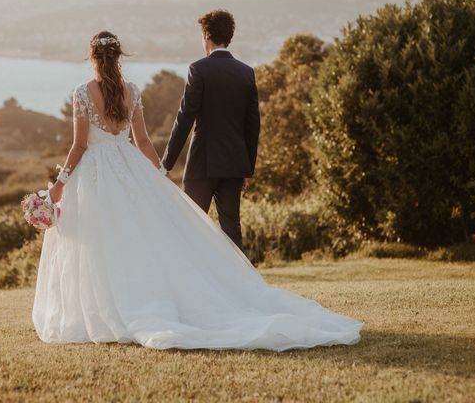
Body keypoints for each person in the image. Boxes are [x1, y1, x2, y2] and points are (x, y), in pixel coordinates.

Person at [33, 29, 362, 351]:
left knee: (102, 241)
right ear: (119, 57)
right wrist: (160, 174)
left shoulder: (82, 92)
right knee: (135, 239)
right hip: (129, 169)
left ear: (92, 57)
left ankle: (106, 309)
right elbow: (143, 141)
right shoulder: (131, 90)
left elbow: (78, 146)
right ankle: (136, 302)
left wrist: (59, 186)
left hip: (95, 175)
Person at [162, 9, 259, 251]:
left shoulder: (199, 69)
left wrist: (166, 163)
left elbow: (185, 118)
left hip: (202, 164)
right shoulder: (246, 72)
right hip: (234, 165)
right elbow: (252, 126)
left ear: (206, 35)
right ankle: (242, 285)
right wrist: (247, 168)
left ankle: (191, 284)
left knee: (190, 226)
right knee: (231, 231)